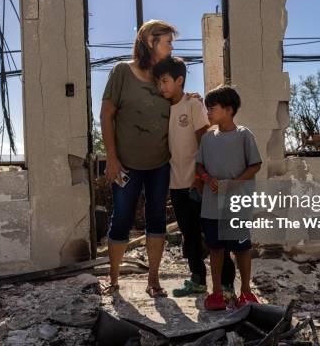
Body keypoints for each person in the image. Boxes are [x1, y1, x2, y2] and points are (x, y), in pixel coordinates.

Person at [100, 20, 176, 298]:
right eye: (167, 42)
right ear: (149, 41)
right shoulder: (122, 71)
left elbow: (176, 103)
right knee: (121, 219)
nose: (171, 47)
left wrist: (187, 97)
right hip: (125, 164)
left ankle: (153, 280)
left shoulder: (167, 75)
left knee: (157, 219)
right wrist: (111, 158)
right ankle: (114, 280)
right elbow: (106, 115)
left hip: (160, 163)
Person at [152, 56, 237, 300]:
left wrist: (201, 178)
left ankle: (227, 285)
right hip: (176, 183)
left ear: (179, 81)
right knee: (189, 236)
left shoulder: (193, 106)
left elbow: (205, 142)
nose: (162, 87)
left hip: (197, 182)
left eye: (166, 81)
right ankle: (198, 280)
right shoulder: (163, 108)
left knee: (213, 236)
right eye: (159, 82)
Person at [196, 85, 262, 310]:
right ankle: (216, 293)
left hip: (236, 205)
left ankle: (245, 292)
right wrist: (207, 178)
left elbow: (255, 164)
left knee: (241, 248)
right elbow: (199, 165)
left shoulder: (244, 135)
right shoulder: (207, 139)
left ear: (229, 109)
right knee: (215, 248)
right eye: (207, 108)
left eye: (212, 108)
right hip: (212, 205)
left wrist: (235, 183)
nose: (208, 113)